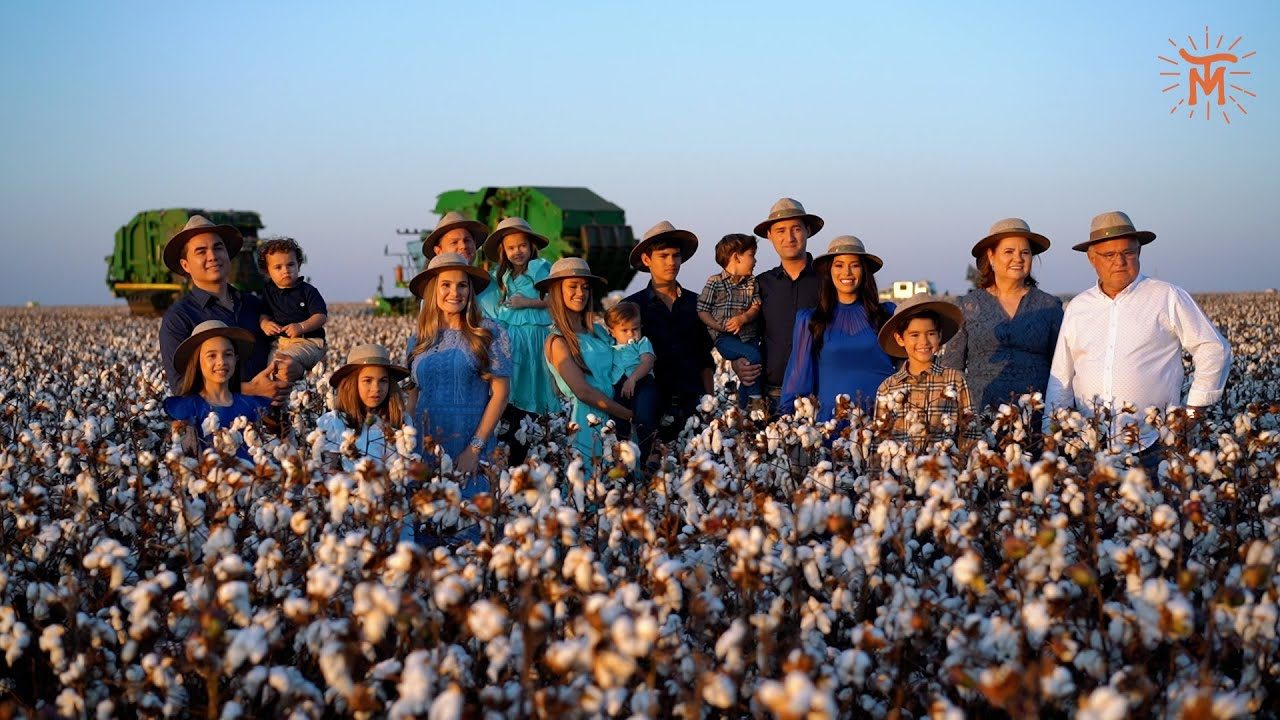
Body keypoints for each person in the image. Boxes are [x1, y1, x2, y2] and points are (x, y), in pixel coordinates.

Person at [1044, 211, 1232, 468]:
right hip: (1091, 443)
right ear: (1092, 259)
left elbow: (1213, 348)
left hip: (1154, 443)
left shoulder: (1166, 296)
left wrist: (1193, 410)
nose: (1119, 261)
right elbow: (1062, 376)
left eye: (1128, 253)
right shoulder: (1079, 307)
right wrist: (1052, 431)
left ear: (1139, 252)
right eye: (1109, 255)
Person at [158, 215, 293, 400]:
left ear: (228, 254)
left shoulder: (254, 305)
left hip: (269, 420)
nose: (212, 256)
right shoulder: (179, 318)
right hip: (216, 425)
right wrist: (250, 389)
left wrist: (292, 366)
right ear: (186, 265)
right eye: (201, 251)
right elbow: (182, 387)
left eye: (218, 247)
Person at [405, 253, 511, 477]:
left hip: (469, 445)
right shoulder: (418, 339)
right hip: (424, 446)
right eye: (446, 285)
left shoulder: (488, 332)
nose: (455, 292)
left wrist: (474, 449)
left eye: (462, 285)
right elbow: (413, 396)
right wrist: (407, 445)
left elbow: (501, 395)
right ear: (433, 291)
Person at [940, 218, 1063, 409]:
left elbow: (1061, 367)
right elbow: (952, 368)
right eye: (1009, 252)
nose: (1018, 258)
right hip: (980, 414)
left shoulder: (1049, 306)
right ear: (991, 256)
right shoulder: (968, 306)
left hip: (1035, 416)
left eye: (1025, 252)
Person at [780, 236, 896, 419]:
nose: (847, 272)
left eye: (855, 265)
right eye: (839, 265)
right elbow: (798, 376)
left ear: (864, 271)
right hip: (830, 421)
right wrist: (788, 419)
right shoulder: (810, 320)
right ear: (829, 271)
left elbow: (906, 367)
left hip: (882, 419)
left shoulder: (887, 314)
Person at [476, 217, 559, 464]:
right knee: (509, 396)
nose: (517, 252)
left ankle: (536, 445)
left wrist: (528, 303)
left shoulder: (541, 268)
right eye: (511, 248)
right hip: (510, 342)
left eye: (522, 246)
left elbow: (558, 299)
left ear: (531, 246)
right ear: (503, 251)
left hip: (535, 338)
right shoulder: (500, 276)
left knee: (534, 388)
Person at [623, 221, 714, 443]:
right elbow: (621, 361)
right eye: (663, 256)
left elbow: (705, 358)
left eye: (675, 255)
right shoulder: (631, 308)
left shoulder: (698, 303)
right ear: (647, 260)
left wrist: (710, 403)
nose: (671, 262)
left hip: (694, 404)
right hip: (650, 408)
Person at [540, 258, 634, 461]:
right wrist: (628, 414)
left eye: (585, 287)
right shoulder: (557, 340)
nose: (581, 293)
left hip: (619, 416)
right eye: (572, 286)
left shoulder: (598, 331)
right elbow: (582, 391)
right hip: (588, 421)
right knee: (593, 483)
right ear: (557, 292)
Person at [734, 198, 824, 408]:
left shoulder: (827, 281)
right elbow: (745, 333)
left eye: (796, 229)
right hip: (769, 396)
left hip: (818, 395)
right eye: (780, 231)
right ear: (769, 235)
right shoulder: (760, 284)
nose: (789, 237)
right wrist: (736, 362)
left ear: (808, 231)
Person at [875, 296, 981, 452]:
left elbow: (971, 431)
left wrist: (961, 463)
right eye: (914, 335)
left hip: (945, 470)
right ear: (900, 338)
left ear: (939, 335)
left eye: (930, 333)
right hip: (902, 472)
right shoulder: (888, 387)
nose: (924, 342)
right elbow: (881, 438)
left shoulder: (955, 380)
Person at [164, 320, 272, 461]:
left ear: (236, 359)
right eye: (212, 355)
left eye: (228, 354)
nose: (221, 362)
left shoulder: (253, 406)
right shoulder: (187, 408)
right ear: (197, 363)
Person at [316, 344, 410, 473]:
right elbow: (327, 473)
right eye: (367, 380)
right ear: (352, 383)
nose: (376, 388)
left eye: (383, 381)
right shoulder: (335, 422)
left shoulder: (402, 421)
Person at [697, 233, 763, 406]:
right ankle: (756, 404)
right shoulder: (715, 282)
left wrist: (743, 318)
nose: (755, 261)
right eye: (751, 255)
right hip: (724, 338)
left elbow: (756, 307)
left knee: (750, 364)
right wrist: (716, 326)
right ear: (736, 257)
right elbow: (702, 310)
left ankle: (743, 407)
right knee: (755, 356)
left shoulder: (751, 282)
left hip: (748, 336)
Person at [257, 237, 329, 374]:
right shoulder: (269, 292)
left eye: (290, 265)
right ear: (267, 272)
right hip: (280, 343)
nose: (285, 270)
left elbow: (320, 316)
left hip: (309, 343)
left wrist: (301, 327)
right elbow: (264, 314)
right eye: (278, 267)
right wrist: (265, 324)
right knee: (269, 369)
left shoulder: (307, 291)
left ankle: (312, 367)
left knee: (283, 362)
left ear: (299, 265)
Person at [603, 301, 659, 457]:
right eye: (624, 330)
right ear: (612, 332)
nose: (631, 334)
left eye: (635, 329)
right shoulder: (609, 347)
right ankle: (622, 457)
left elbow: (647, 361)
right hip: (618, 385)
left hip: (642, 383)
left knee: (645, 417)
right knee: (617, 421)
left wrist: (633, 378)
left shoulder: (643, 342)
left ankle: (648, 454)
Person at [421, 211, 488, 264]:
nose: (463, 246)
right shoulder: (432, 281)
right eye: (454, 242)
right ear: (438, 251)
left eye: (467, 240)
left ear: (474, 243)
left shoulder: (491, 280)